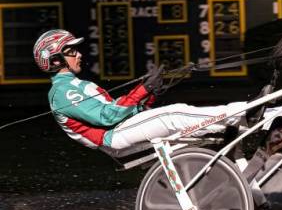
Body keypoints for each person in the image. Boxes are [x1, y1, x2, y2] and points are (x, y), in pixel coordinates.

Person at [33, 29, 250, 152]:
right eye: (71, 52)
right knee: (174, 114)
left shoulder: (76, 85)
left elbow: (120, 110)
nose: (79, 55)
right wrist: (143, 88)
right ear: (54, 61)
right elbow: (108, 117)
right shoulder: (63, 92)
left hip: (120, 130)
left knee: (196, 128)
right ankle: (248, 112)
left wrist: (153, 92)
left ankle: (252, 118)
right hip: (113, 136)